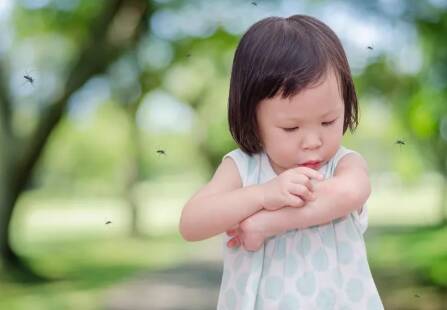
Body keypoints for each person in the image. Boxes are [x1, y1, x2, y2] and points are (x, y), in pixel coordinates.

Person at [179, 14, 384, 310]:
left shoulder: (342, 165)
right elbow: (191, 223)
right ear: (252, 119)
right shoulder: (243, 167)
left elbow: (351, 193)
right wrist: (263, 194)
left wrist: (269, 223)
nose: (313, 141)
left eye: (328, 121)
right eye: (291, 128)